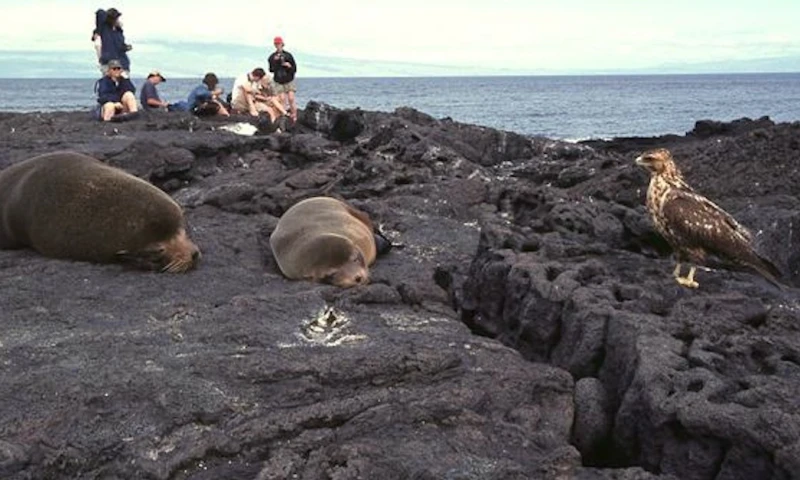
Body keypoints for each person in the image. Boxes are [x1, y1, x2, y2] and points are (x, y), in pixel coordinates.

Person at [267, 36, 298, 122]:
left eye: (279, 44)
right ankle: (283, 117)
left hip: (289, 79)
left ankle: (294, 116)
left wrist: (289, 66)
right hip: (278, 80)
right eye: (276, 44)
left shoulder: (288, 55)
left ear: (282, 44)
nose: (278, 45)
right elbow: (271, 70)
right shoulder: (272, 57)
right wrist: (275, 62)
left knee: (291, 98)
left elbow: (294, 69)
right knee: (282, 99)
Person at [95, 8, 132, 76]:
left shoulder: (119, 32)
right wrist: (97, 32)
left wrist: (126, 47)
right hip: (109, 63)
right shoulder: (104, 28)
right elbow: (100, 13)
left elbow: (120, 46)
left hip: (122, 64)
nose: (117, 20)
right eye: (116, 18)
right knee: (109, 84)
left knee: (125, 85)